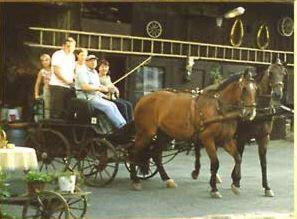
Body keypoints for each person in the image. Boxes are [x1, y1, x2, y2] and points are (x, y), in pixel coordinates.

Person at [75, 54, 126, 129]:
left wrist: (106, 90)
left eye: (95, 61)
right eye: (91, 61)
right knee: (108, 107)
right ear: (86, 62)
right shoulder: (82, 72)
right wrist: (100, 89)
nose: (93, 62)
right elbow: (84, 87)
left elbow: (98, 86)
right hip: (86, 98)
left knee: (113, 105)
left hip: (95, 96)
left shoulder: (95, 73)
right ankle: (120, 127)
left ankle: (124, 125)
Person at [49, 37, 76, 119]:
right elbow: (56, 71)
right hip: (58, 86)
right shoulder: (58, 54)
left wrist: (75, 81)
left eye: (72, 46)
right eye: (68, 46)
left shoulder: (72, 56)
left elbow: (71, 71)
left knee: (67, 110)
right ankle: (52, 130)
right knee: (57, 111)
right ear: (63, 46)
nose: (70, 48)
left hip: (69, 87)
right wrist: (67, 81)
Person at [34, 54, 52, 119]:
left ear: (50, 60)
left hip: (55, 89)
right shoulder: (42, 71)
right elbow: (37, 83)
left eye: (46, 60)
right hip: (47, 89)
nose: (44, 62)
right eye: (43, 60)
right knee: (46, 107)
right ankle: (47, 121)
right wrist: (36, 94)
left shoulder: (54, 69)